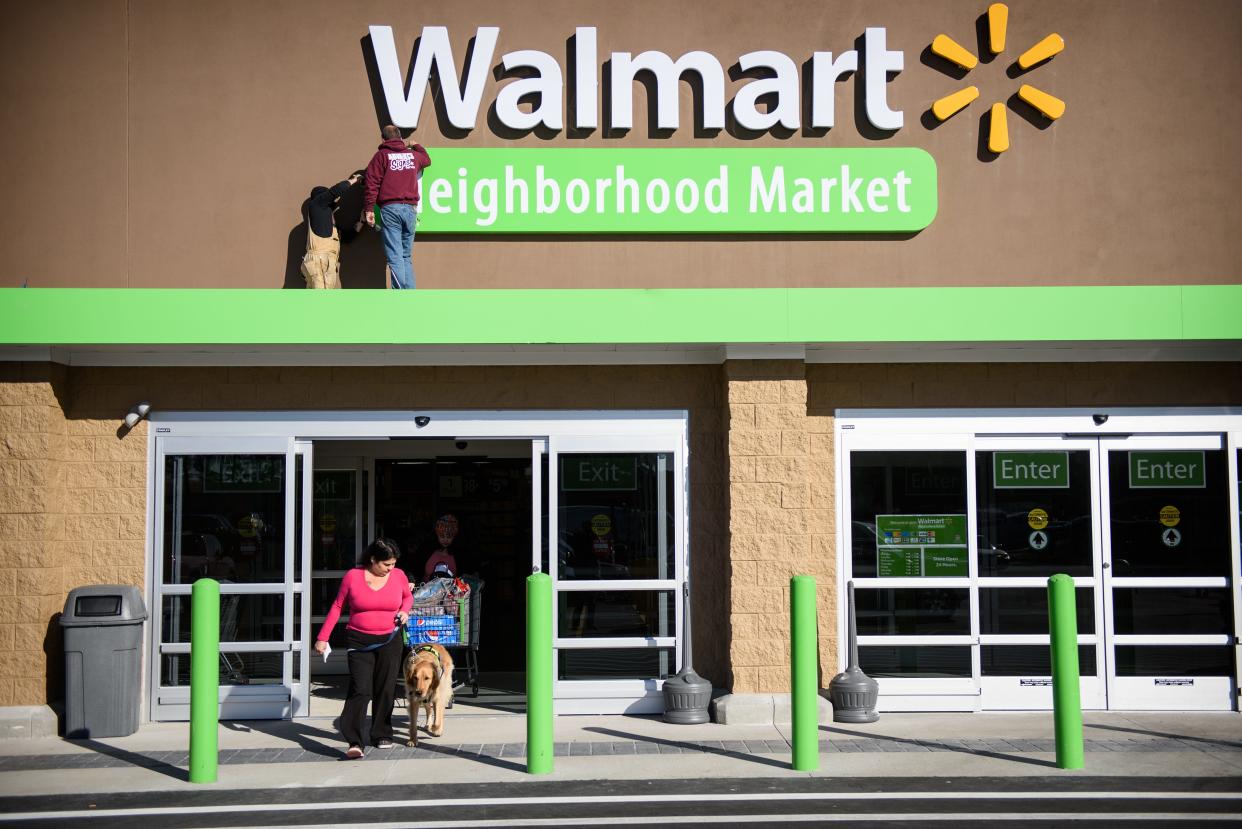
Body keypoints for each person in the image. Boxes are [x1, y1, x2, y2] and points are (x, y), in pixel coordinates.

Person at [314, 538, 412, 759]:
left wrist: (405, 611)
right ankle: (354, 739)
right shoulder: (353, 577)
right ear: (373, 559)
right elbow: (338, 606)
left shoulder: (399, 576)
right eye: (386, 564)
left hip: (390, 639)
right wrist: (323, 637)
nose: (390, 569)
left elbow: (407, 597)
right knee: (361, 689)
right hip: (359, 641)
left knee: (386, 688)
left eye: (393, 564)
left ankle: (381, 733)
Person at [363, 125, 431, 289]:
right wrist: (416, 145)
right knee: (406, 255)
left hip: (391, 209)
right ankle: (409, 297)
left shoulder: (381, 156)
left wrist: (369, 209)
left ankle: (400, 298)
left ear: (383, 139)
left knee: (395, 256)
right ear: (400, 138)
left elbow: (371, 183)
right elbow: (427, 160)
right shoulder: (412, 155)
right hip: (410, 210)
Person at [300, 172, 361, 289]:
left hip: (326, 264)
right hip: (319, 261)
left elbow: (347, 238)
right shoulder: (316, 205)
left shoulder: (329, 224)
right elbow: (335, 191)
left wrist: (361, 221)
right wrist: (354, 180)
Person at [422, 514, 459, 582]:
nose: (445, 540)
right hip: (425, 590)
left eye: (449, 537)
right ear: (437, 535)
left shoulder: (458, 555)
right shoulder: (427, 551)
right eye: (442, 536)